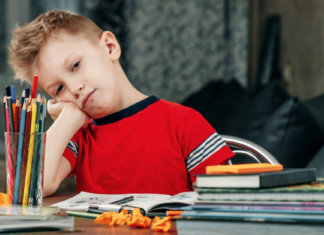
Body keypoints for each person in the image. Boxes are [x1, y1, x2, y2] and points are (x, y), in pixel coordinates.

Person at [8, 10, 234, 197]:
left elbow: (223, 208)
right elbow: (32, 189)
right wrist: (69, 117)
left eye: (76, 65)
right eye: (59, 89)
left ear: (109, 47)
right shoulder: (79, 136)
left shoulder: (185, 123)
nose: (74, 88)